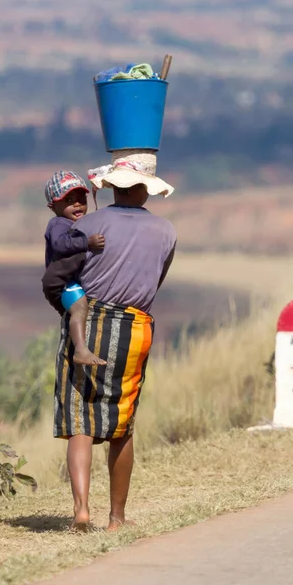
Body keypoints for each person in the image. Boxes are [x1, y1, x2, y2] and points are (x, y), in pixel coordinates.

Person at [42, 150, 177, 532]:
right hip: (135, 331)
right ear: (146, 190)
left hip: (90, 326)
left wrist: (64, 309)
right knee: (123, 426)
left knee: (80, 422)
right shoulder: (167, 232)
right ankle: (117, 517)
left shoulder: (86, 226)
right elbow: (155, 284)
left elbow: (56, 275)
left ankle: (81, 510)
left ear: (114, 186)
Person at [44, 171, 106, 366]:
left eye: (81, 199)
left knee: (75, 312)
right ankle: (81, 350)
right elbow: (60, 244)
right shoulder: (58, 224)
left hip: (68, 281)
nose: (77, 204)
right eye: (69, 200)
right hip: (62, 282)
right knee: (80, 309)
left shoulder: (78, 224)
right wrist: (86, 243)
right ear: (53, 206)